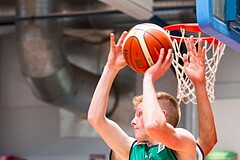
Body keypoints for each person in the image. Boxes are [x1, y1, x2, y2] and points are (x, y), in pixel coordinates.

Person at [88, 31, 217, 159]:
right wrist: (111, 68)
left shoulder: (182, 143)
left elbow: (154, 126)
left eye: (140, 114)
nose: (133, 122)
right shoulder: (132, 150)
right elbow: (95, 118)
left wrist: (149, 77)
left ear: (162, 115)